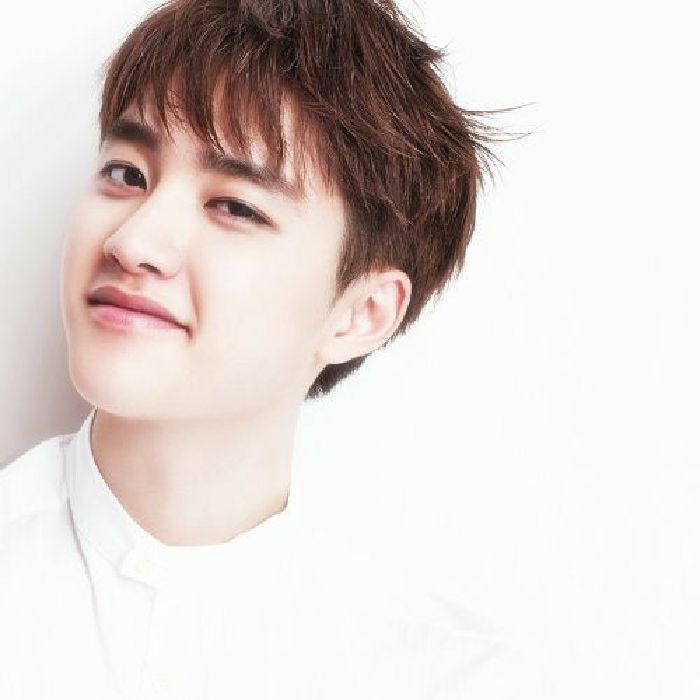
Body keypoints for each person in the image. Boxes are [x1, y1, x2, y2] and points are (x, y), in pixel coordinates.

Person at [0, 0, 540, 698]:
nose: (131, 242)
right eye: (127, 173)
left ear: (362, 314)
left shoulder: (446, 677)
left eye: (235, 206)